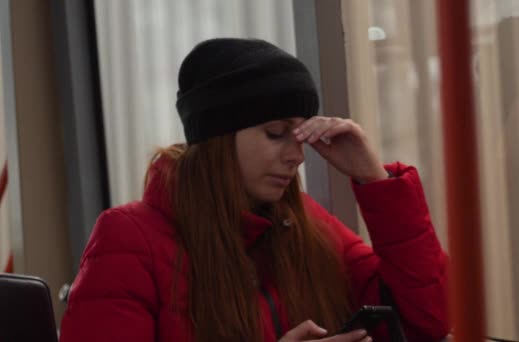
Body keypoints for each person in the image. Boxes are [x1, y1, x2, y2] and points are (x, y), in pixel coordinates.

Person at [59, 38, 448, 342]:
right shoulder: (130, 237)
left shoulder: (306, 224)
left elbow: (427, 322)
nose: (296, 156)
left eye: (301, 136)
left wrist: (375, 180)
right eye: (277, 134)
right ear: (218, 139)